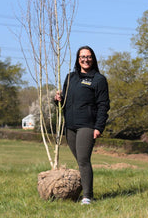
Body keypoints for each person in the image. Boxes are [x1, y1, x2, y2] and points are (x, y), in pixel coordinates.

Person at [55, 46, 110, 205]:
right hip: (70, 126)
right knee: (80, 160)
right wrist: (58, 100)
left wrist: (99, 127)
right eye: (82, 57)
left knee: (84, 160)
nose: (85, 59)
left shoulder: (99, 79)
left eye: (88, 56)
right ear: (78, 59)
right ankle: (79, 190)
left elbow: (103, 105)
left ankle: (87, 197)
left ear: (93, 59)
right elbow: (64, 102)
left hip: (87, 125)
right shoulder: (70, 77)